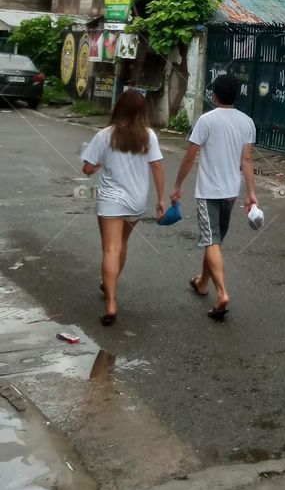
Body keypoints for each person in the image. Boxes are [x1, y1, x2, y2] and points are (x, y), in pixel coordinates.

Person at [171, 74, 258, 321]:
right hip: (231, 191)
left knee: (211, 241)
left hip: (208, 192)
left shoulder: (206, 120)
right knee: (215, 241)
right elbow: (247, 160)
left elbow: (190, 156)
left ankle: (222, 293)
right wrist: (251, 193)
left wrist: (178, 184)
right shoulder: (247, 122)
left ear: (214, 96)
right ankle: (202, 282)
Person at [81, 89, 164, 327]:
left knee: (110, 249)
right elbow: (157, 167)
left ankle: (111, 303)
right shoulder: (149, 136)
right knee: (122, 244)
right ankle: (110, 283)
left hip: (110, 199)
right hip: (136, 201)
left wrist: (96, 166)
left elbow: (87, 169)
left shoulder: (105, 135)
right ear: (142, 111)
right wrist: (160, 200)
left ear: (119, 108)